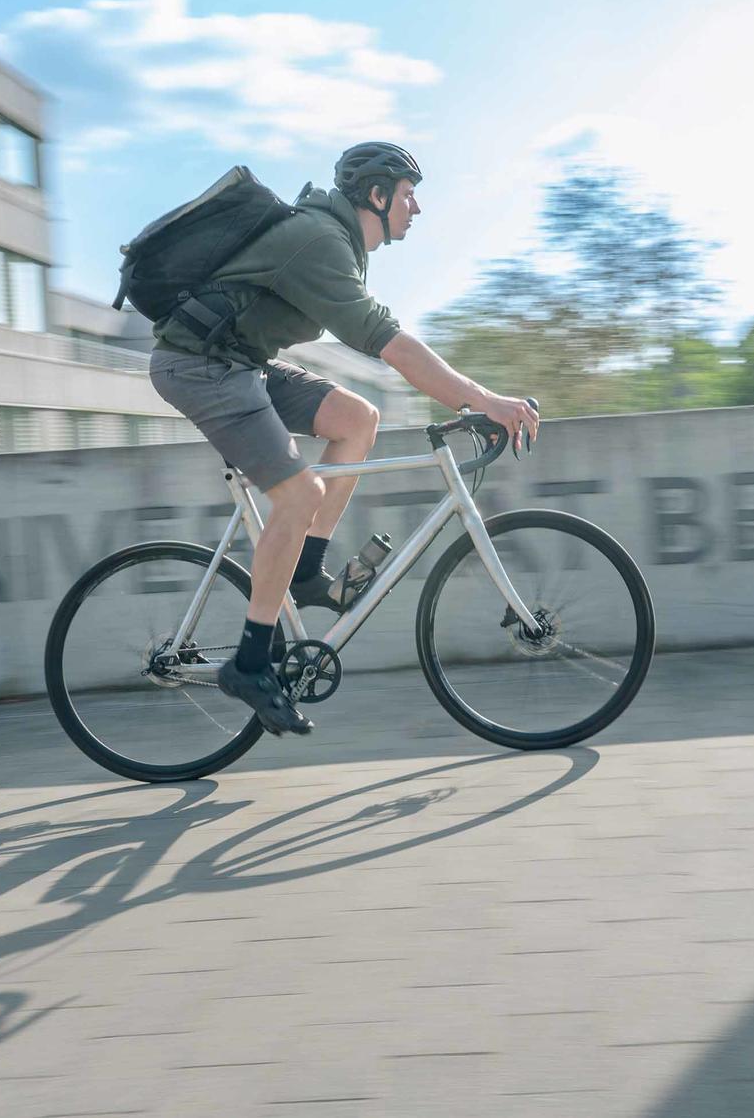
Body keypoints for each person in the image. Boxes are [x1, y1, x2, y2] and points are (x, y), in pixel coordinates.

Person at [148, 142, 539, 736]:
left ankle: (305, 571)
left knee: (357, 419)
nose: (418, 207)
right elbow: (395, 346)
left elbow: (391, 344)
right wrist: (483, 400)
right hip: (200, 367)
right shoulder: (319, 241)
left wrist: (473, 397)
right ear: (377, 196)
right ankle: (250, 664)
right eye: (408, 194)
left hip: (238, 363)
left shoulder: (339, 246)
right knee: (299, 496)